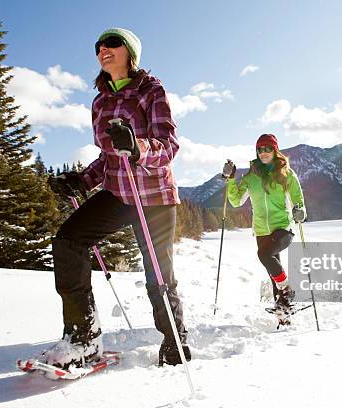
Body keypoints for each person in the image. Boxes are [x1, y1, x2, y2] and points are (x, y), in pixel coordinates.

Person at [44, 27, 190, 368]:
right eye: (98, 45)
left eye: (112, 43)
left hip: (154, 196)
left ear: (130, 53)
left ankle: (175, 341)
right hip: (119, 194)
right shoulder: (100, 101)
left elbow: (168, 146)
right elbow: (108, 158)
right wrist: (82, 180)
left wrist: (137, 146)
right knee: (68, 241)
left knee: (158, 272)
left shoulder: (150, 90)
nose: (102, 49)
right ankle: (83, 337)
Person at [222, 133, 306, 311]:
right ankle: (283, 312)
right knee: (273, 272)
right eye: (260, 149)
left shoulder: (286, 174)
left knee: (265, 255)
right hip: (261, 231)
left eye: (267, 148)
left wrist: (300, 211)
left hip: (283, 228)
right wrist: (230, 179)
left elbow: (298, 200)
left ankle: (287, 289)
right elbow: (236, 201)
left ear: (275, 150)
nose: (263, 152)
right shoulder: (251, 177)